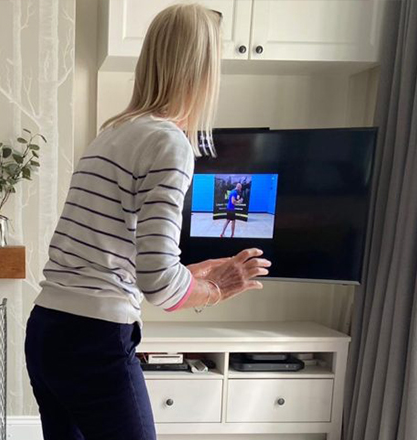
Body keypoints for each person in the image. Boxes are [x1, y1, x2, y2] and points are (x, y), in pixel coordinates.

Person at [25, 4, 271, 440]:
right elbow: (158, 283)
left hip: (48, 329)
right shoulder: (169, 142)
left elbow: (111, 255)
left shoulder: (112, 133)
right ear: (203, 71)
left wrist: (191, 274)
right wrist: (215, 290)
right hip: (94, 340)